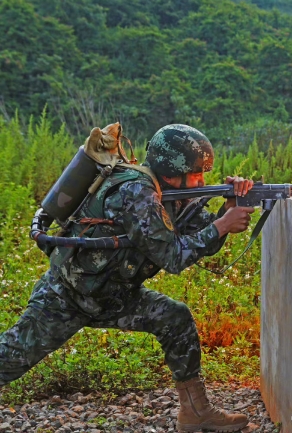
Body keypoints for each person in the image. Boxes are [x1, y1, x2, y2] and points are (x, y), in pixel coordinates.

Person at [0, 124, 255, 432]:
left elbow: (197, 235)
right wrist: (223, 226)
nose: (202, 180)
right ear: (174, 171)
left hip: (114, 296)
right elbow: (174, 257)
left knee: (175, 318)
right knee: (10, 358)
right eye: (197, 173)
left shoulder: (169, 193)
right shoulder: (138, 193)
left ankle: (195, 412)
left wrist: (227, 209)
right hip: (67, 296)